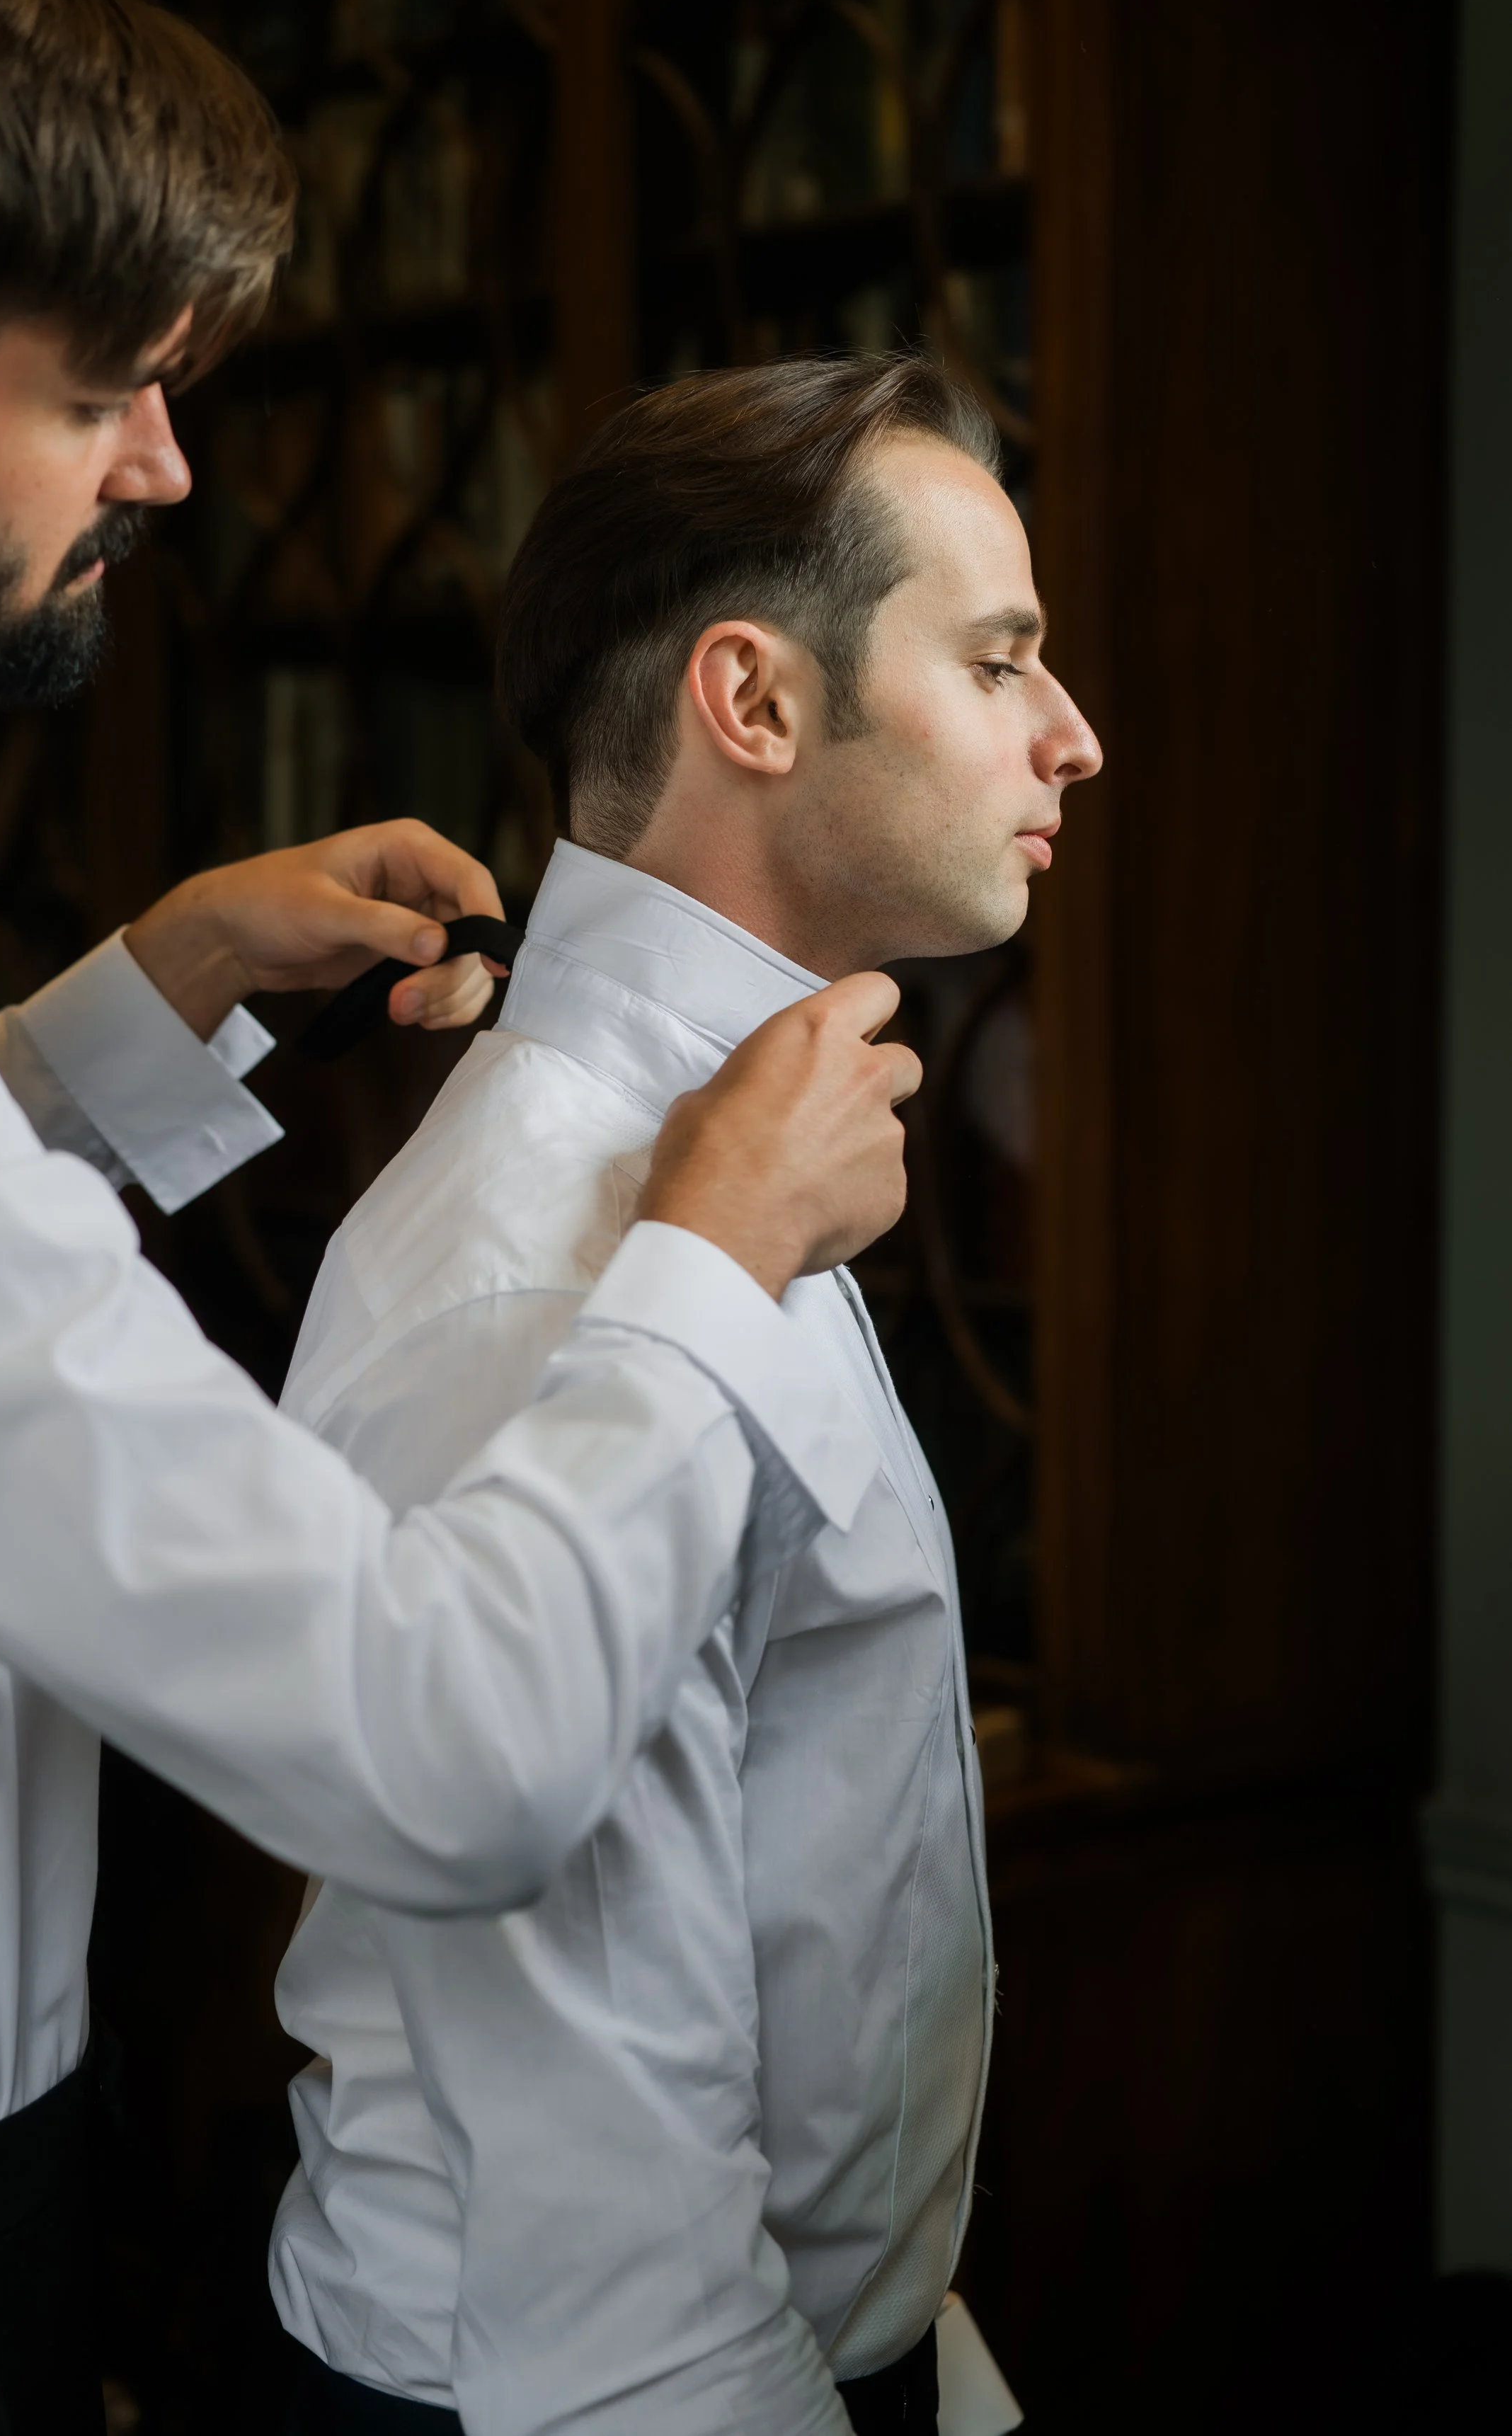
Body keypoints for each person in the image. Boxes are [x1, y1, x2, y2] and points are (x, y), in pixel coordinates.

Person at [0, 0, 922, 2436]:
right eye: (108, 395)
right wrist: (707, 1254)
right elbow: (440, 1747)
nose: (167, 468)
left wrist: (127, 1007)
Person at [268, 354, 1102, 2435]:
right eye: (996, 657)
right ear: (752, 702)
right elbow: (608, 2248)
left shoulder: (748, 1143)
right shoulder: (534, 1268)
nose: (1069, 733)